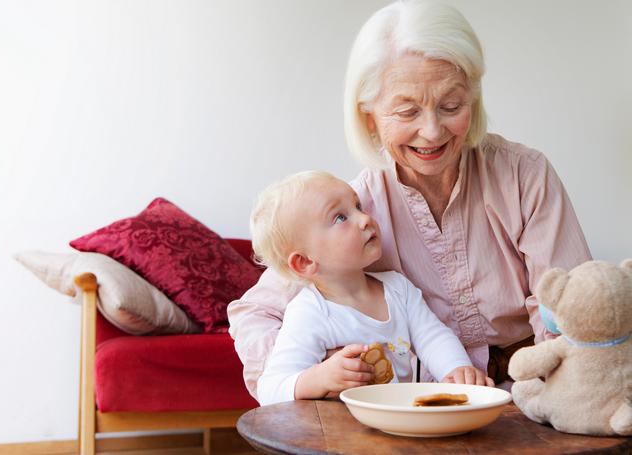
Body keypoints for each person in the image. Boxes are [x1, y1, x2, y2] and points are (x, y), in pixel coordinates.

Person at [228, 0, 591, 399]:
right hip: (424, 406)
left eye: (451, 106)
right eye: (406, 112)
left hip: (532, 388)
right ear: (370, 118)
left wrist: (555, 395)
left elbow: (571, 310)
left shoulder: (525, 175)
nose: (432, 132)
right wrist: (310, 379)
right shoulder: (357, 210)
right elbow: (255, 311)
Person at [250, 171, 493, 405]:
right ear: (305, 262)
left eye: (358, 207)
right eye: (340, 217)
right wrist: (319, 378)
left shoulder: (398, 288)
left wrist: (456, 370)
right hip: (343, 434)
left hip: (401, 417)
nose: (365, 219)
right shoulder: (310, 313)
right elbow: (270, 389)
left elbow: (432, 337)